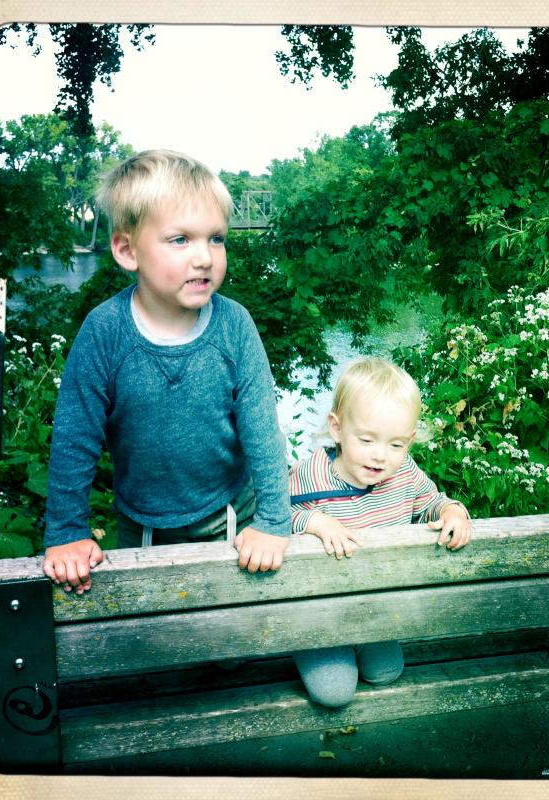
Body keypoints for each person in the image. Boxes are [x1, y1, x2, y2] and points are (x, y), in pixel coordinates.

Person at [42, 149, 291, 595]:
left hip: (230, 516)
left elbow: (263, 432)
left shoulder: (234, 325)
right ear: (127, 250)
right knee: (151, 621)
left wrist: (273, 522)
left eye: (216, 239)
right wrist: (66, 532)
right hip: (141, 524)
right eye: (180, 240)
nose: (204, 257)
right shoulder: (105, 331)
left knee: (233, 625)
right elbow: (74, 438)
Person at [288, 357, 473, 707]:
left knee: (386, 671)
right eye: (367, 440)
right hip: (320, 614)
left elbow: (432, 501)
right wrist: (314, 522)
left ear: (410, 441)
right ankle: (310, 647)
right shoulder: (311, 475)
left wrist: (453, 512)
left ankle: (361, 641)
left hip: (374, 607)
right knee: (335, 693)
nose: (380, 456)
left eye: (395, 445)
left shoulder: (403, 474)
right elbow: (276, 519)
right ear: (337, 428)